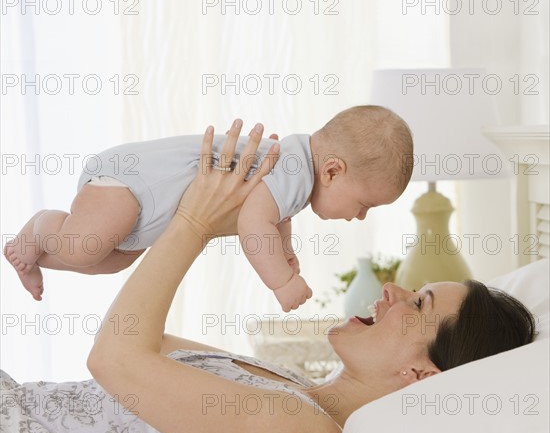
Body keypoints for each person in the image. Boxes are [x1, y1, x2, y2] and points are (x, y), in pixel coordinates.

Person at [0, 122, 535, 433]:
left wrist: (195, 221)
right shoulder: (292, 387)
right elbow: (149, 345)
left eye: (420, 304)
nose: (394, 290)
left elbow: (114, 359)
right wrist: (188, 208)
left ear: (420, 374)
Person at [4, 106, 413, 312]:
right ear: (333, 170)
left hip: (144, 214)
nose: (360, 217)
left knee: (113, 261)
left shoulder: (296, 176)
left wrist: (286, 254)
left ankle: (37, 255)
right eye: (364, 205)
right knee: (85, 247)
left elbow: (272, 218)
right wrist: (281, 282)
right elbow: (255, 223)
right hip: (131, 185)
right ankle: (41, 226)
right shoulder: (293, 167)